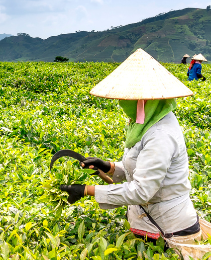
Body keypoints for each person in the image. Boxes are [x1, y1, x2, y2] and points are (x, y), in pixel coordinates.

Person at [56, 49, 200, 240]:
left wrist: (86, 190)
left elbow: (142, 190)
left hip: (169, 229)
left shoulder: (161, 134)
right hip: (146, 221)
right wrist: (109, 167)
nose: (122, 103)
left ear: (143, 101)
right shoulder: (144, 123)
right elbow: (143, 167)